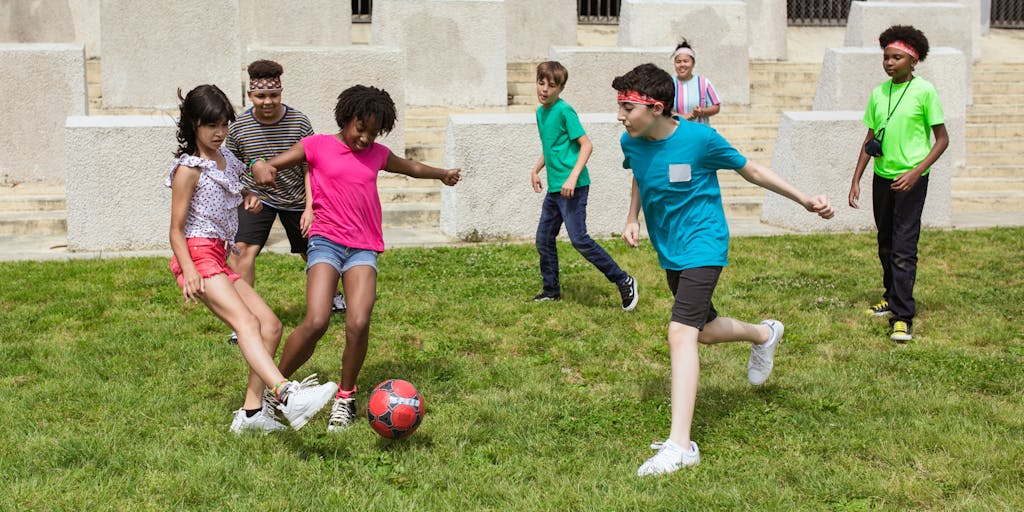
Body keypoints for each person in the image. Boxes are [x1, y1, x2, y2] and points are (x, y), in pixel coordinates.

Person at [612, 64, 834, 476]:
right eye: (620, 106)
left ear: (656, 107)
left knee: (680, 333)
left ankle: (681, 445)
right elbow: (640, 178)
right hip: (670, 250)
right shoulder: (632, 141)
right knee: (705, 331)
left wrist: (804, 199)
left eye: (627, 106)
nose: (620, 115)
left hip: (704, 244)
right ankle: (765, 333)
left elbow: (751, 170)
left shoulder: (700, 139)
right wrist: (632, 218)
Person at [250, 85, 461, 432]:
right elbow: (273, 162)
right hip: (326, 241)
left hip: (363, 247)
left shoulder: (377, 153)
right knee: (317, 320)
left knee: (358, 323)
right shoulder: (318, 145)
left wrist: (442, 174)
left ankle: (345, 398)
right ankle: (277, 390)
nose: (365, 138)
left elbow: (409, 166)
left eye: (373, 133)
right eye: (360, 129)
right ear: (346, 118)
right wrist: (260, 166)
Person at [166, 84, 337, 433]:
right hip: (198, 256)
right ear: (193, 124)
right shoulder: (189, 169)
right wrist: (189, 270)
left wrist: (248, 197)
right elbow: (176, 229)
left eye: (224, 125)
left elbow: (238, 180)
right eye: (211, 125)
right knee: (246, 324)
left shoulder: (225, 159)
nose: (219, 133)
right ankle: (287, 394)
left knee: (271, 326)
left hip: (219, 257)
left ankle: (251, 413)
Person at [224, 60, 345, 345]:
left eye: (273, 95)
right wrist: (245, 194)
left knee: (313, 251)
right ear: (250, 96)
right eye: (260, 96)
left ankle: (334, 297)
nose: (268, 101)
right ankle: (242, 318)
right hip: (257, 197)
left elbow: (311, 167)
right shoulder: (239, 127)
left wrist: (310, 207)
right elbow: (229, 167)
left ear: (281, 92)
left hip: (296, 198)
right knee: (241, 253)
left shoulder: (299, 122)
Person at [849, 25, 948, 343]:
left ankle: (903, 316)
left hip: (911, 181)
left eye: (896, 57)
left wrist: (916, 172)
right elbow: (870, 138)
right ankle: (891, 296)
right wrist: (856, 179)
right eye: (886, 57)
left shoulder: (925, 91)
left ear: (913, 60)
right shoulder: (878, 93)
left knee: (904, 248)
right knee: (886, 243)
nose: (889, 63)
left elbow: (942, 140)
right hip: (883, 178)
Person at [529, 61, 638, 311]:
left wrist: (572, 177)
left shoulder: (565, 111)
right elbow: (552, 147)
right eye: (541, 83)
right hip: (555, 189)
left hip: (573, 187)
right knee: (543, 239)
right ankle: (551, 290)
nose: (544, 89)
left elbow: (586, 145)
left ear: (561, 88)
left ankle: (624, 280)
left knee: (579, 239)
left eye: (551, 85)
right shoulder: (540, 113)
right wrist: (536, 169)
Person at [670, 39, 721, 126]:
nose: (682, 65)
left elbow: (716, 107)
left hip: (700, 132)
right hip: (676, 132)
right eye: (678, 62)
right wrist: (683, 116)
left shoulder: (703, 83)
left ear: (693, 64)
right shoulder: (669, 83)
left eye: (686, 61)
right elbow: (662, 109)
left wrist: (701, 112)